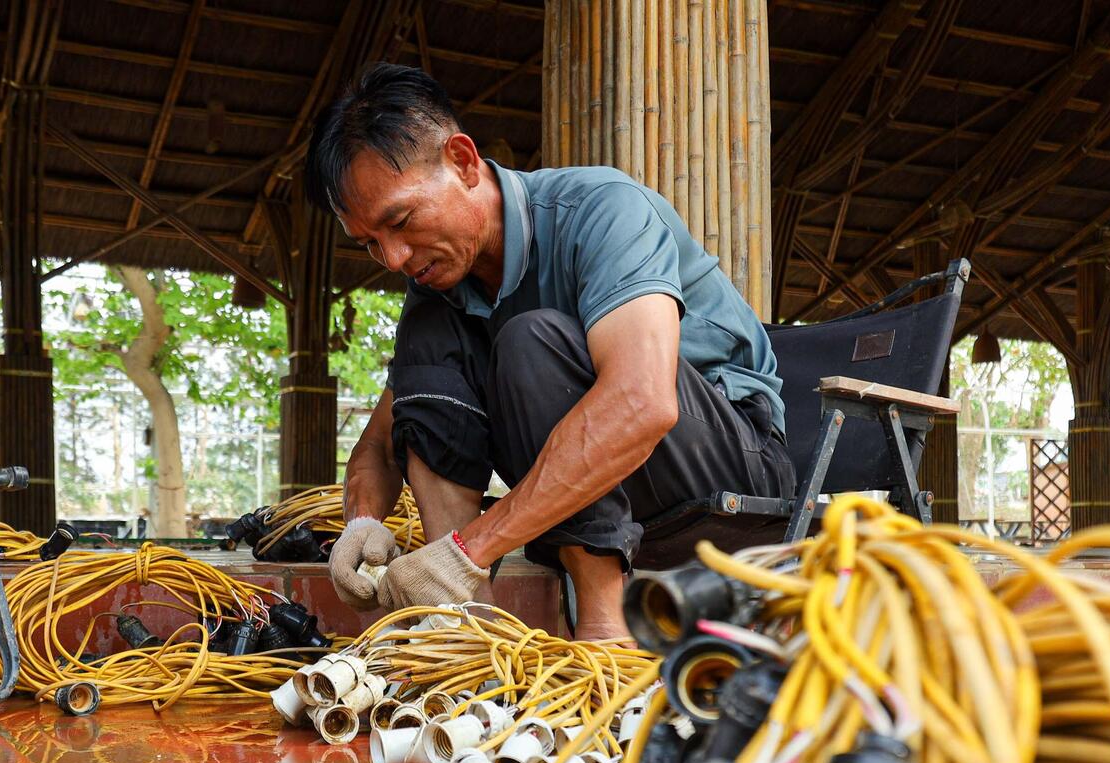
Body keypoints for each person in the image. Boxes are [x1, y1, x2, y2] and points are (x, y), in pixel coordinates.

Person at [307, 64, 794, 641]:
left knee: (530, 341)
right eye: (370, 244)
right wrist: (361, 522)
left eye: (401, 221)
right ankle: (468, 634)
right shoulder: (438, 289)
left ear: (462, 162)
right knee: (427, 349)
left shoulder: (603, 208)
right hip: (605, 491)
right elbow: (381, 441)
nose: (392, 257)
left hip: (731, 471)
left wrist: (472, 549)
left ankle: (603, 634)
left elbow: (643, 403)